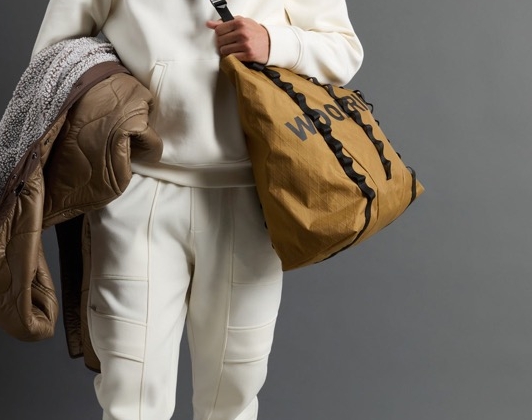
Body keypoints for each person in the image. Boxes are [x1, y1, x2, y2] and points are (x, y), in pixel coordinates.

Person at [30, 1, 363, 419]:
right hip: (139, 192)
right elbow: (51, 61)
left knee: (234, 392)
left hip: (251, 196)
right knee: (130, 391)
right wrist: (117, 96)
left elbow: (344, 51)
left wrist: (274, 42)